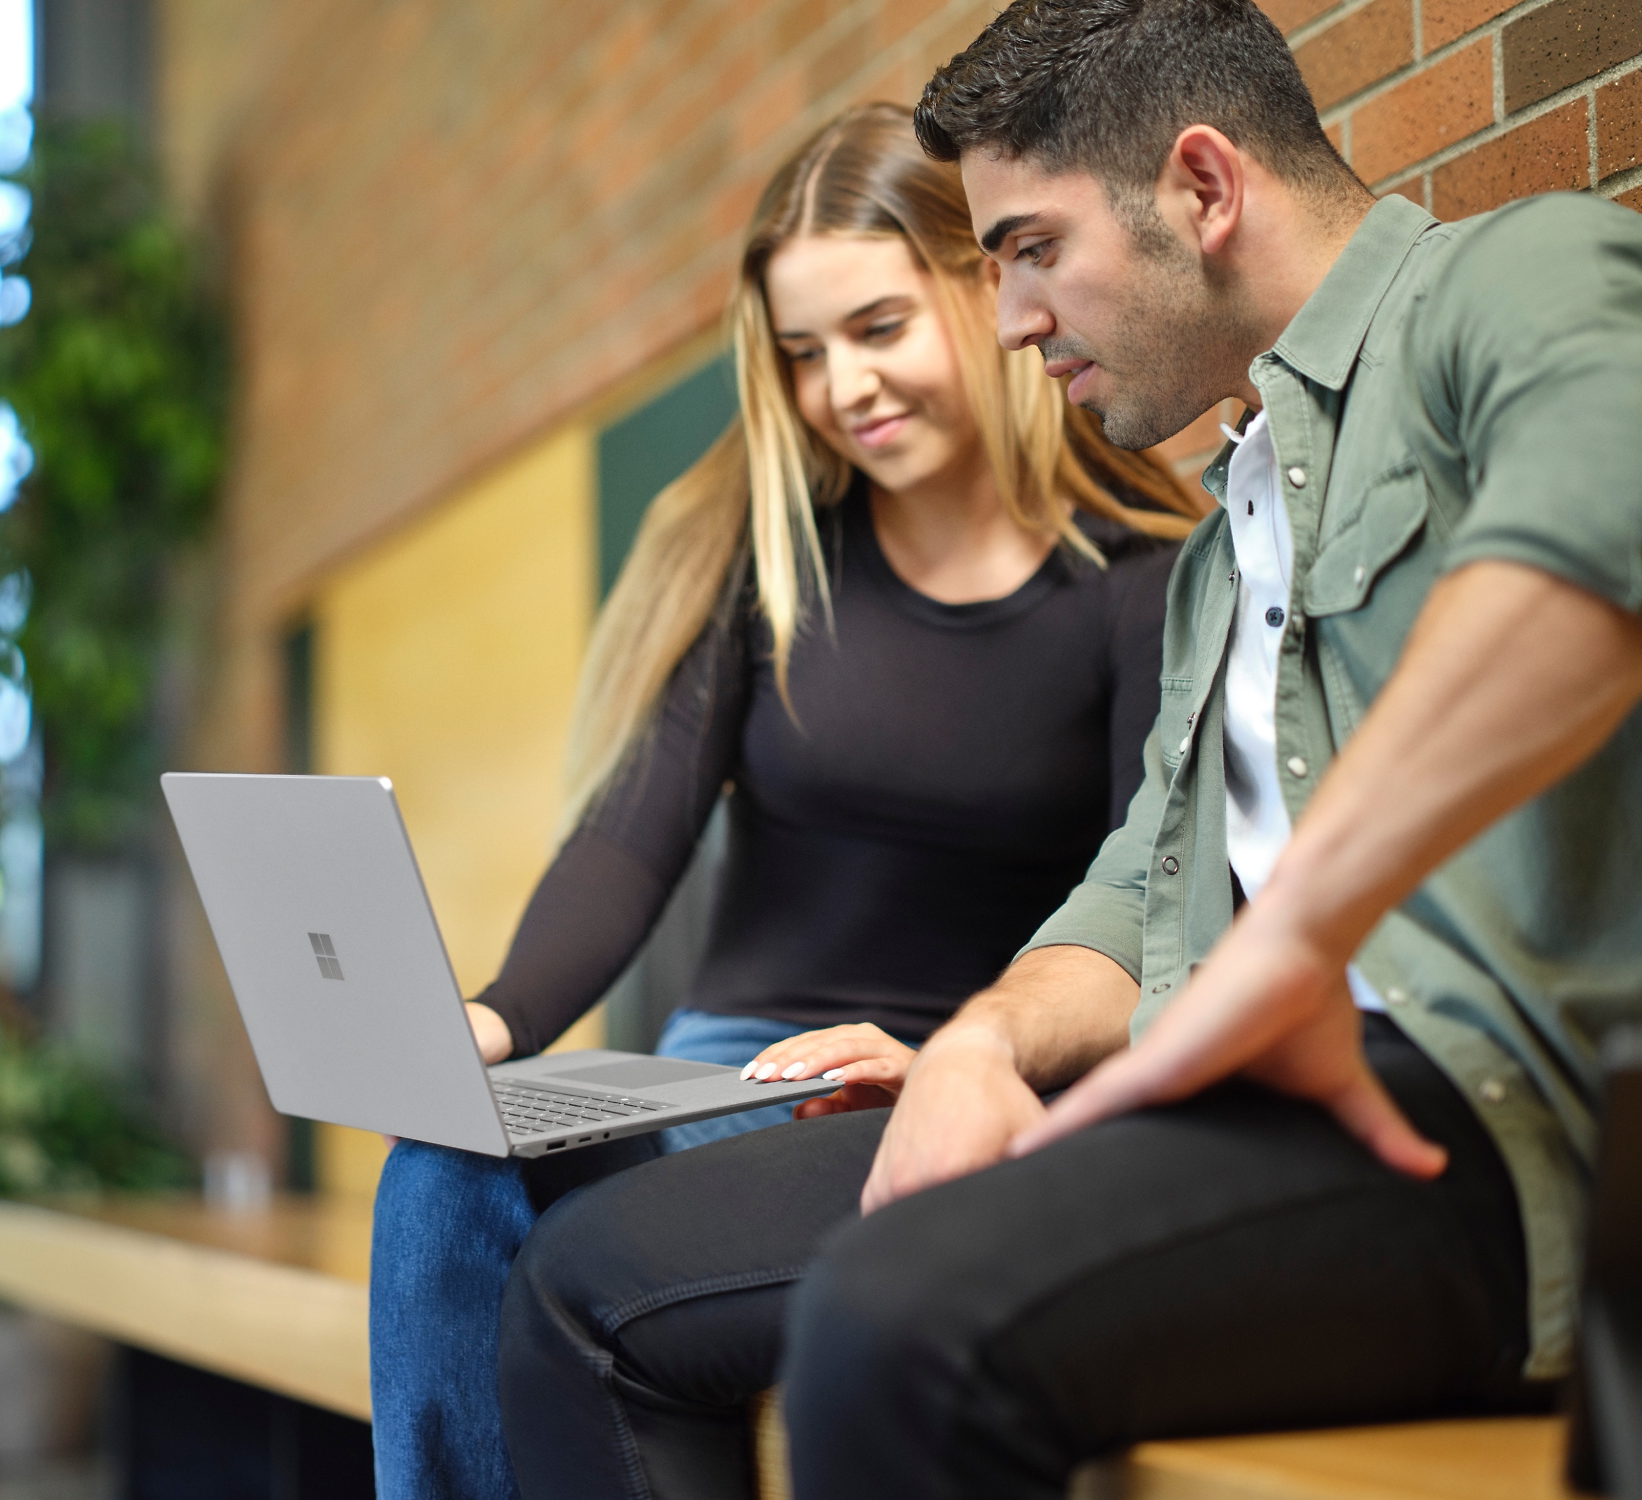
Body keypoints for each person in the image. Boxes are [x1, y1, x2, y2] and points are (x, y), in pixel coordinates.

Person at [492, 3, 1642, 1498]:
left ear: (1205, 189)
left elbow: (1591, 550)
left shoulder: (1518, 279)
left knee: (895, 1323)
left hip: (1483, 1126)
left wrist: (1295, 937)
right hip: (1241, 1109)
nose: (1014, 319)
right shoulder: (1224, 548)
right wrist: (980, 1042)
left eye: (1030, 250)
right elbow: (1130, 895)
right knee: (592, 1280)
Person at [368, 102, 1204, 1500]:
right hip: (714, 1077)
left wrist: (970, 1057)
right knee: (442, 1165)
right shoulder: (768, 564)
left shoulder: (1140, 587)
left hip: (942, 1086)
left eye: (879, 329)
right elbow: (628, 840)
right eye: (805, 355)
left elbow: (1144, 907)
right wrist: (491, 1021)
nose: (845, 388)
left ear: (985, 287)